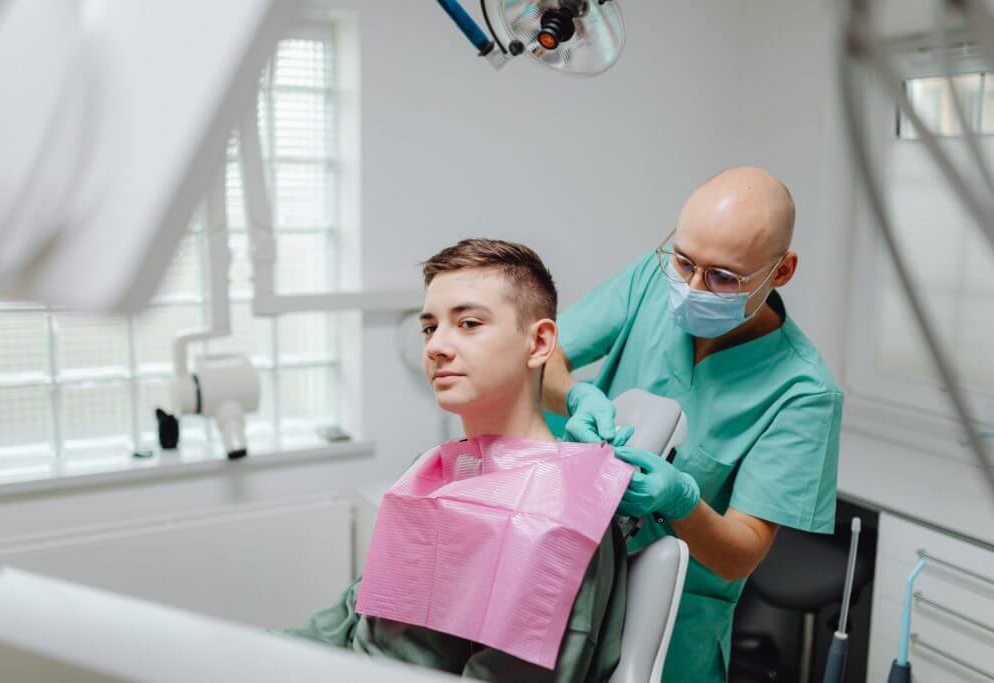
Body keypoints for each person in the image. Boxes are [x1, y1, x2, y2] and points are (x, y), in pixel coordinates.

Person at [543, 166, 843, 682]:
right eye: (683, 262)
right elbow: (540, 356)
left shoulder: (804, 392)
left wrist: (680, 500)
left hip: (673, 628)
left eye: (723, 277)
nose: (692, 287)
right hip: (568, 579)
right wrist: (577, 395)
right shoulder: (651, 281)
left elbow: (740, 552)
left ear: (782, 270)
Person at [285, 238, 628, 682]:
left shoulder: (553, 521)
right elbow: (354, 614)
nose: (436, 347)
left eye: (468, 323)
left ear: (539, 342)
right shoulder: (437, 470)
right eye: (430, 328)